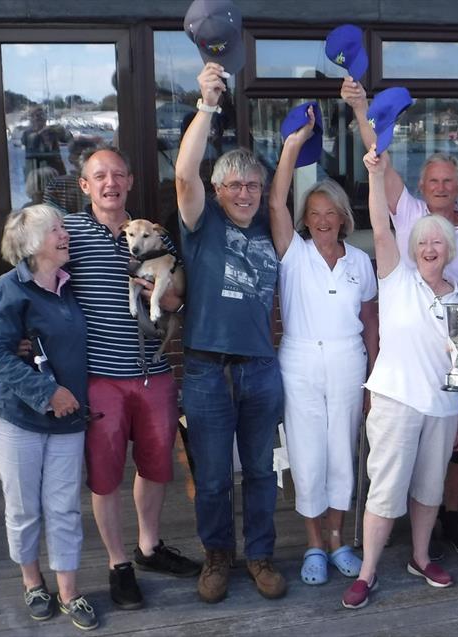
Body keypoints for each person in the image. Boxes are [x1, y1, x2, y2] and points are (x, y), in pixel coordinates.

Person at [342, 77, 458, 559]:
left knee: (449, 463)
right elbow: (379, 170)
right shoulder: (406, 223)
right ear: (424, 188)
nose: (442, 188)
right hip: (403, 362)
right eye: (434, 182)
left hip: (453, 358)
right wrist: (362, 111)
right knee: (391, 474)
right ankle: (374, 562)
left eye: (449, 182)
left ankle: (439, 536)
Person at [65, 146, 200, 611]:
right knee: (105, 476)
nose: (110, 183)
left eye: (118, 174)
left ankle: (148, 547)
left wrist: (172, 305)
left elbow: (180, 294)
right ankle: (118, 564)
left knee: (156, 465)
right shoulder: (71, 233)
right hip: (100, 375)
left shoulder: (153, 236)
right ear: (85, 185)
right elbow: (33, 278)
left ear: (130, 182)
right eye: (99, 176)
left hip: (154, 371)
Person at [341, 147, 458, 610]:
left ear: (449, 249)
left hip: (443, 407)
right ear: (412, 248)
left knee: (430, 491)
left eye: (437, 243)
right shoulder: (397, 276)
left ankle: (419, 556)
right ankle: (369, 571)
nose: (429, 249)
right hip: (396, 401)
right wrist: (375, 175)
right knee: (385, 489)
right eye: (422, 243)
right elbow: (379, 224)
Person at [175, 62, 286, 603]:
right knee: (215, 477)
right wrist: (206, 104)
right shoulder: (202, 223)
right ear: (217, 190)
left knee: (262, 473)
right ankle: (218, 556)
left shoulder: (268, 223)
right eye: (234, 184)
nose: (244, 193)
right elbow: (183, 174)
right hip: (206, 372)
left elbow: (283, 189)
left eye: (252, 185)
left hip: (262, 370)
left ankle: (260, 555)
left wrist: (296, 143)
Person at [269, 106, 379, 586]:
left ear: (342, 215)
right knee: (307, 453)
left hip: (348, 360)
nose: (320, 220)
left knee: (342, 452)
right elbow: (274, 204)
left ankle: (338, 538)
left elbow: (371, 322)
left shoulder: (360, 259)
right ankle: (313, 542)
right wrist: (293, 146)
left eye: (328, 213)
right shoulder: (293, 254)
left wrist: (375, 376)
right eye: (312, 214)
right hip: (298, 359)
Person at [0, 204, 98, 631]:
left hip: (68, 420)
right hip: (16, 417)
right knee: (24, 508)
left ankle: (69, 592)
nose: (65, 235)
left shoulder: (69, 287)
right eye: (55, 230)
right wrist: (48, 393)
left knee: (64, 508)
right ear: (32, 243)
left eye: (63, 228)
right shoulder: (8, 289)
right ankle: (32, 582)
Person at [22, 106, 71, 178]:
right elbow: (30, 142)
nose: (38, 119)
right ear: (31, 119)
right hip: (36, 171)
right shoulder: (27, 133)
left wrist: (57, 131)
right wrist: (40, 133)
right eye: (36, 116)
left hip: (56, 169)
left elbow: (68, 137)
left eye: (41, 116)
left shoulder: (53, 130)